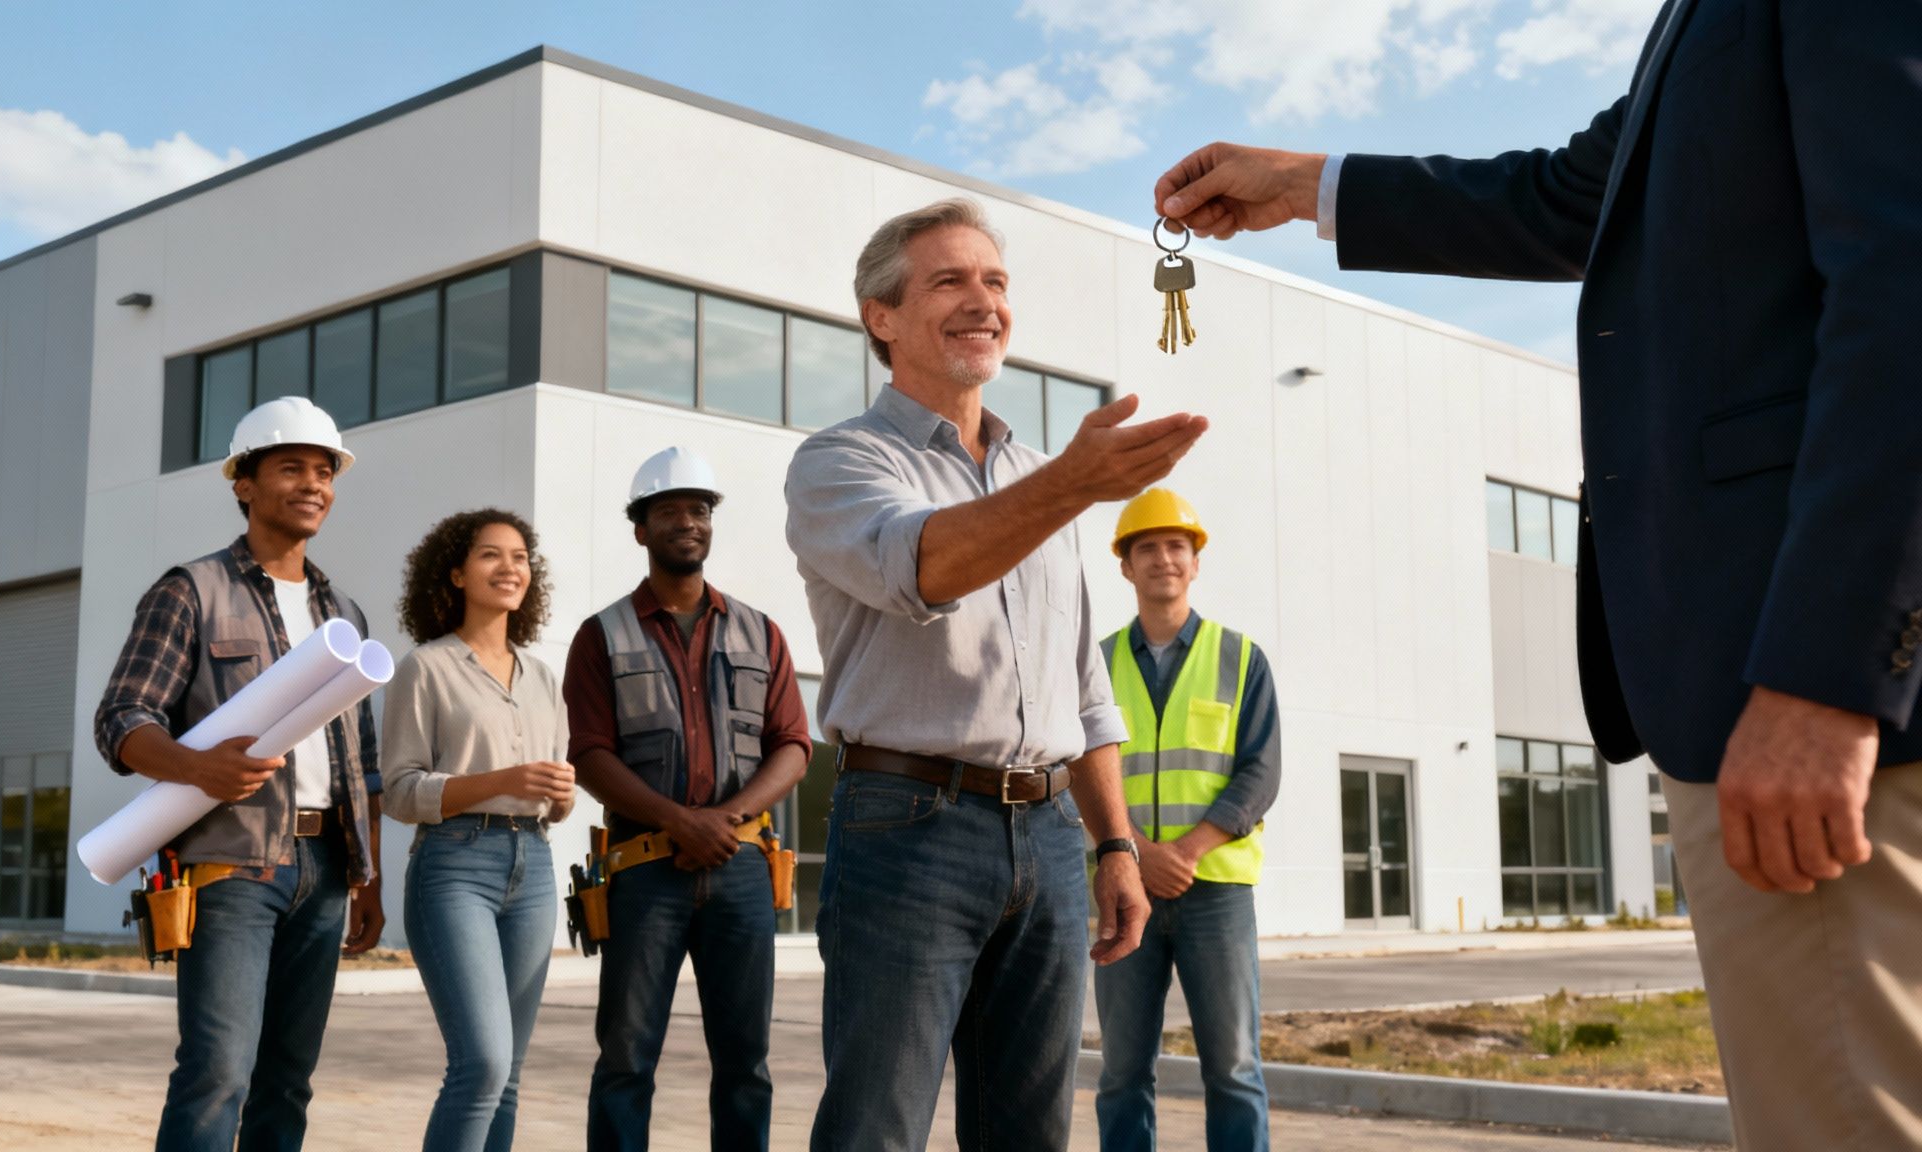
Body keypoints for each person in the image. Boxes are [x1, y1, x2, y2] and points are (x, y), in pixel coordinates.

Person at [1151, 5, 1922, 1146]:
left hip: (1804, 692)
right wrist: (1308, 184)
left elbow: (1906, 283)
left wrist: (1827, 672)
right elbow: (1571, 195)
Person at [784, 197, 1206, 1151]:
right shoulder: (841, 462)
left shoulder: (1038, 474)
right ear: (881, 317)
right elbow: (921, 567)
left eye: (997, 281)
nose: (984, 301)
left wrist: (1114, 847)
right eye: (950, 280)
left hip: (1054, 839)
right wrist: (1073, 486)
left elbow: (1082, 695)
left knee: (1029, 1132)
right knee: (875, 1128)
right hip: (909, 832)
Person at [93, 396, 384, 1151]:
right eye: (292, 467)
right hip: (229, 869)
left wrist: (368, 877)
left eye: (325, 471)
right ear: (243, 484)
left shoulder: (343, 611)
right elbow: (122, 720)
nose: (314, 484)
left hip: (324, 868)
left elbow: (365, 763)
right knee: (219, 1070)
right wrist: (195, 766)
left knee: (288, 1079)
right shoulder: (191, 590)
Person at [562, 445, 812, 1152]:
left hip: (740, 870)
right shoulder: (600, 637)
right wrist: (679, 822)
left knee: (746, 1062)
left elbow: (793, 745)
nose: (687, 522)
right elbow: (589, 755)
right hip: (644, 875)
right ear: (639, 529)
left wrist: (725, 820)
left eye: (698, 510)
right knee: (626, 1060)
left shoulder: (760, 632)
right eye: (668, 510)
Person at [382, 508, 575, 1151]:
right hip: (454, 866)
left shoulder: (544, 678)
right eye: (491, 555)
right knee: (483, 1063)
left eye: (520, 557)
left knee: (509, 1075)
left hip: (535, 866)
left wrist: (561, 795)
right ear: (457, 574)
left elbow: (550, 794)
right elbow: (401, 791)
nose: (509, 567)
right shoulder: (426, 668)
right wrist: (504, 780)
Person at [1094, 488, 1279, 1151]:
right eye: (1147, 548)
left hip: (1217, 892)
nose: (1163, 559)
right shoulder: (1097, 662)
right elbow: (1069, 772)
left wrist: (1187, 851)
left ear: (1195, 563)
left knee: (1233, 1067)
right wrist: (1137, 852)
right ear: (1126, 566)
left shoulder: (1241, 657)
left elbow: (1260, 773)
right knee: (1120, 1071)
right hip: (1124, 888)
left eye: (1176, 546)